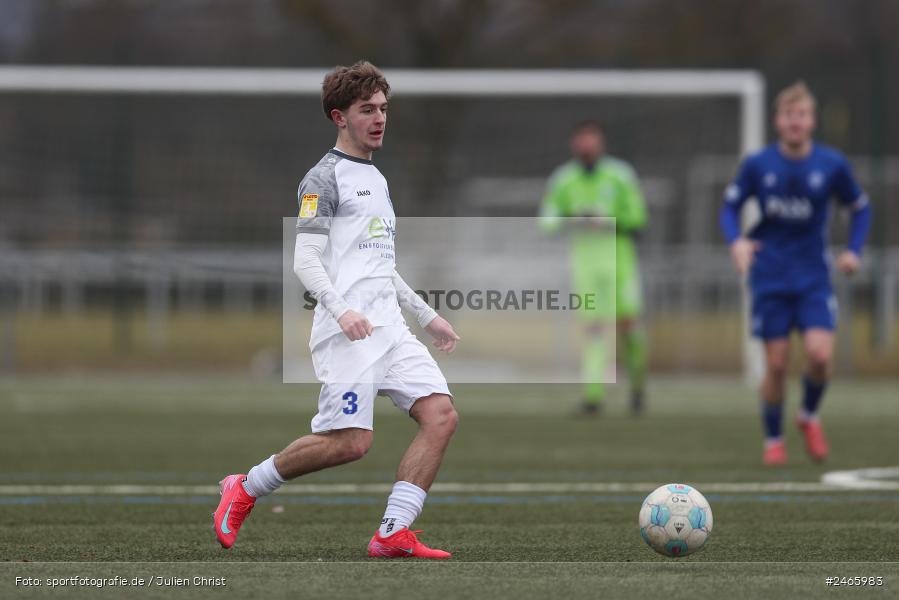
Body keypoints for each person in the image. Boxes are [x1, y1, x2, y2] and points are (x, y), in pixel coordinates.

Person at [212, 61, 461, 558]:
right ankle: (245, 486)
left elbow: (381, 266)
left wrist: (425, 315)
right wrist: (343, 311)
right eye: (367, 109)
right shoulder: (322, 179)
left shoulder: (378, 179)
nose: (379, 118)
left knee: (441, 416)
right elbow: (305, 259)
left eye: (383, 108)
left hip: (390, 329)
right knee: (350, 442)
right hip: (347, 333)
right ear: (339, 117)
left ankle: (392, 531)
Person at [720, 81, 871, 466]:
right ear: (777, 121)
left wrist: (853, 251)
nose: (795, 122)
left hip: (812, 277)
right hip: (770, 275)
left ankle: (808, 415)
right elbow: (729, 208)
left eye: (801, 115)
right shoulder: (758, 164)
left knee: (820, 356)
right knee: (776, 363)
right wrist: (737, 242)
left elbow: (860, 207)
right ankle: (773, 439)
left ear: (812, 121)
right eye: (789, 115)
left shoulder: (831, 164)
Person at [540, 120, 649, 415]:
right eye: (582, 140)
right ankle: (593, 397)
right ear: (574, 144)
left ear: (601, 143)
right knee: (594, 330)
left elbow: (638, 217)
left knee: (629, 328)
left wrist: (608, 220)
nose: (587, 146)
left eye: (592, 140)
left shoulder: (620, 175)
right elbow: (547, 220)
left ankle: (638, 386)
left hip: (620, 263)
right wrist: (574, 219)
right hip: (586, 266)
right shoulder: (564, 180)